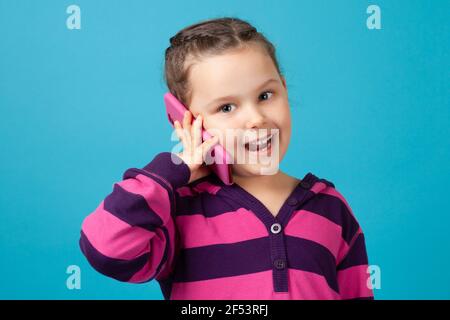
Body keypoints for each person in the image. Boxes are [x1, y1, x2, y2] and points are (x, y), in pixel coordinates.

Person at [79, 17, 374, 300]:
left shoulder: (331, 208)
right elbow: (105, 247)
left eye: (265, 95)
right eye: (226, 107)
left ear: (283, 88)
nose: (256, 119)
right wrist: (176, 169)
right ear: (184, 121)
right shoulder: (178, 210)